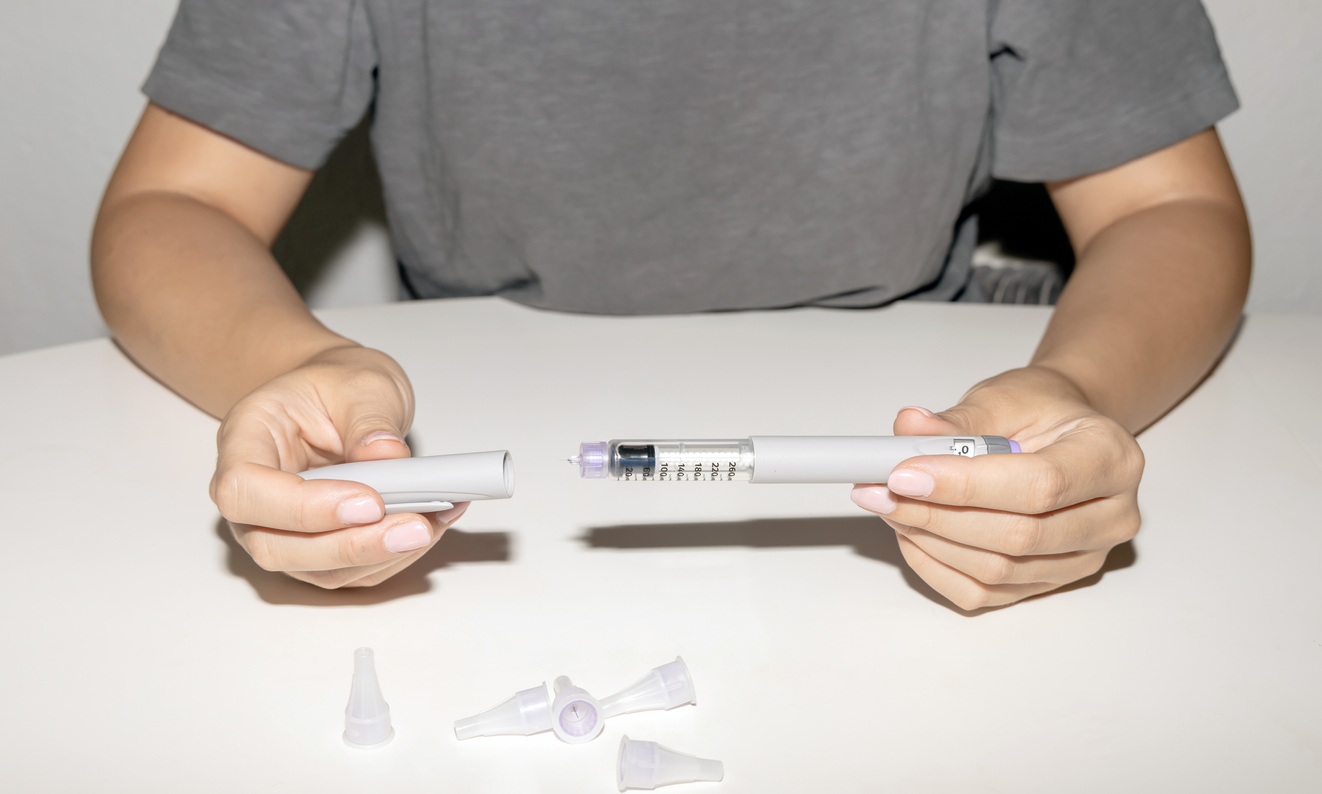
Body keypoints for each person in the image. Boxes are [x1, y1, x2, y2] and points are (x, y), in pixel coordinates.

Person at [91, 0, 1250, 609]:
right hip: (495, 392)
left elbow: (1168, 210)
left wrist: (1077, 390)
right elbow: (173, 203)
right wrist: (291, 366)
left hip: (918, 394)